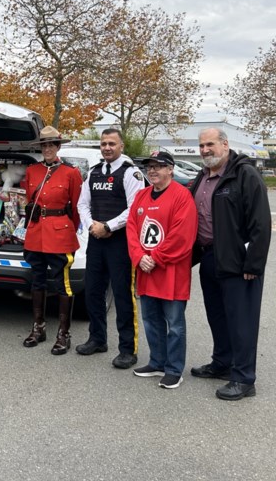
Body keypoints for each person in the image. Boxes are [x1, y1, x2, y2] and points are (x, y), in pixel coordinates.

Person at [188, 127, 272, 401]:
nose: (205, 150)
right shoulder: (203, 176)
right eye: (201, 146)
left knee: (242, 321)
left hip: (238, 263)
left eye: (210, 144)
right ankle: (222, 363)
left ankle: (244, 378)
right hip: (210, 257)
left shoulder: (244, 175)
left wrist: (253, 264)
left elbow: (261, 223)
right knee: (217, 316)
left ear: (225, 145)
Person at [76, 128, 147, 369]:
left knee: (123, 294)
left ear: (121, 146)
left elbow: (135, 208)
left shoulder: (131, 173)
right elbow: (82, 204)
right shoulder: (94, 172)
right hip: (96, 240)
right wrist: (92, 226)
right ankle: (97, 339)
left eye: (112, 143)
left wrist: (108, 226)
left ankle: (128, 349)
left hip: (120, 242)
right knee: (93, 292)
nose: (107, 147)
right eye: (104, 143)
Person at [126, 151, 198, 389]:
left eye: (159, 166)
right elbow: (132, 229)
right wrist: (139, 256)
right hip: (146, 271)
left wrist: (155, 257)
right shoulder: (141, 195)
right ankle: (157, 362)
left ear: (171, 169)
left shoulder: (182, 196)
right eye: (149, 166)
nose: (153, 170)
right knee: (151, 320)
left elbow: (182, 236)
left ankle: (174, 369)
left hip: (170, 272)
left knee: (174, 323)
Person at [21, 126, 83, 355]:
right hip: (36, 233)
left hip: (60, 233)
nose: (47, 148)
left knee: (61, 283)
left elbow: (76, 207)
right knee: (37, 281)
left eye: (51, 145)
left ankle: (63, 333)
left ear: (58, 147)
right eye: (44, 145)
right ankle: (39, 328)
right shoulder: (32, 171)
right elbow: (30, 202)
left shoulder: (71, 172)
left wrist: (68, 230)